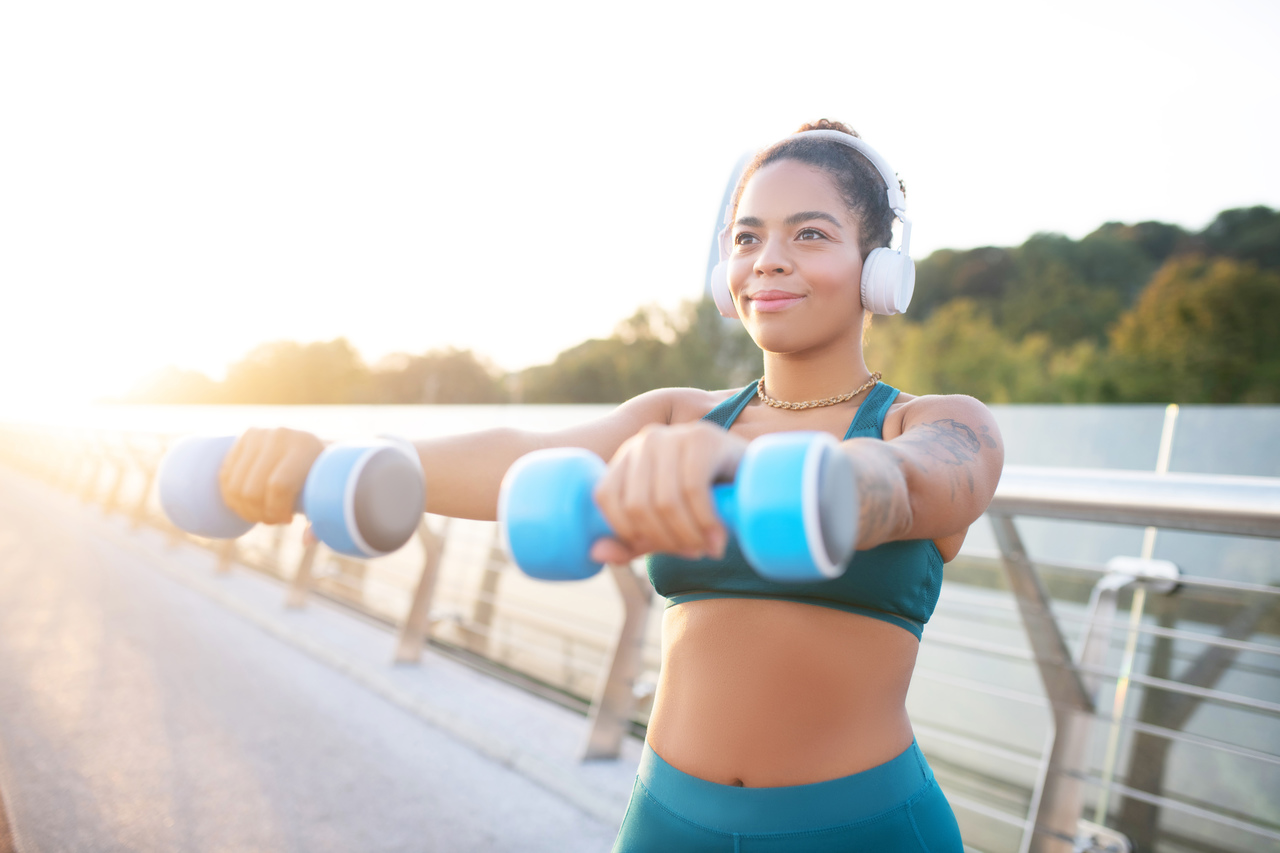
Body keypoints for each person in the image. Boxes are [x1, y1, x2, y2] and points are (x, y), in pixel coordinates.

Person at [218, 119, 1003, 851]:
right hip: (667, 821)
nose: (769, 258)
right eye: (747, 236)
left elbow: (899, 486)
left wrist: (766, 472)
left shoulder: (929, 424)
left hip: (862, 829)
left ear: (880, 270)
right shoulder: (677, 416)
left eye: (811, 233)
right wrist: (336, 460)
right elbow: (520, 455)